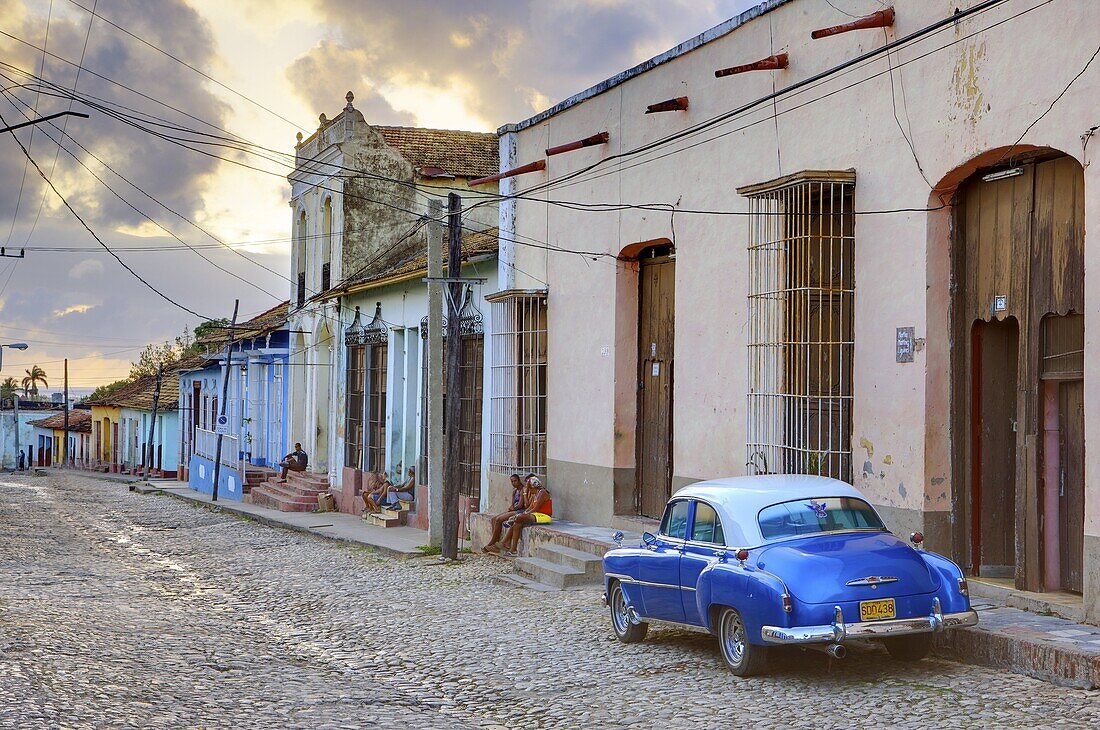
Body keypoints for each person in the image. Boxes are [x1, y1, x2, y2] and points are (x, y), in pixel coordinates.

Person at [499, 475, 552, 557]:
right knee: (518, 522)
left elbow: (535, 508)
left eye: (529, 488)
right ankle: (513, 550)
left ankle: (512, 522)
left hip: (544, 515)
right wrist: (524, 513)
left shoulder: (542, 493)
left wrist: (524, 514)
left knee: (519, 517)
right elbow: (530, 506)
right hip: (536, 514)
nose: (529, 490)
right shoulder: (536, 493)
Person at [482, 474, 526, 554]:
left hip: (520, 510)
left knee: (499, 519)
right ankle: (496, 543)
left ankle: (492, 543)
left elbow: (520, 505)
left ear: (519, 481)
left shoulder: (523, 490)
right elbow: (513, 504)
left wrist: (513, 508)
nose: (513, 483)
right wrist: (511, 507)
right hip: (514, 510)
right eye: (512, 481)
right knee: (494, 519)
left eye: (515, 481)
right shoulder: (514, 491)